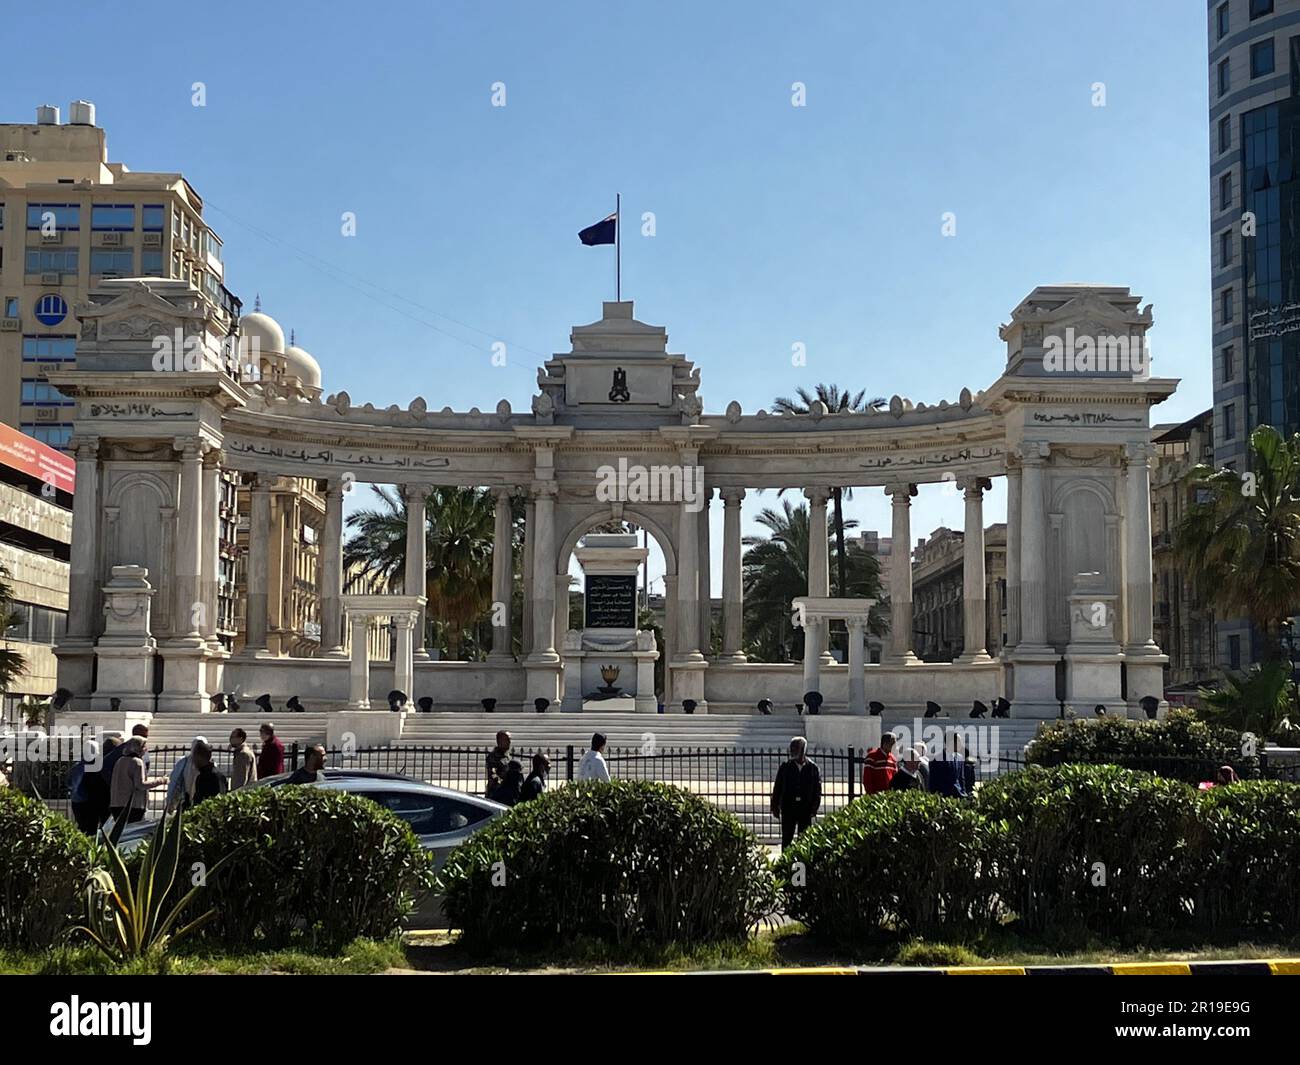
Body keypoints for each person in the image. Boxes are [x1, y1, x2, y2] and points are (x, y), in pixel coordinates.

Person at [771, 737, 821, 850]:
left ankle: (802, 865)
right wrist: (775, 806)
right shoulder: (785, 767)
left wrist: (814, 807)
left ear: (803, 750)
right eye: (792, 748)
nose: (793, 751)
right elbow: (777, 787)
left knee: (804, 839)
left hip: (805, 808)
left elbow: (817, 790)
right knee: (787, 838)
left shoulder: (813, 768)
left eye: (796, 748)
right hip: (789, 807)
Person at [109, 736, 165, 825]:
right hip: (132, 805)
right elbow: (140, 785)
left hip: (116, 804)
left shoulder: (120, 761)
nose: (146, 749)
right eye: (144, 747)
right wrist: (160, 781)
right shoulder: (137, 762)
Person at [165, 736, 209, 814]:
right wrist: (171, 803)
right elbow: (175, 782)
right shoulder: (184, 762)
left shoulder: (209, 765)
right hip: (185, 800)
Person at [485, 730, 512, 796]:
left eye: (510, 739)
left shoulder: (507, 756)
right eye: (507, 739)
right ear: (499, 741)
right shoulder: (493, 757)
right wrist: (504, 783)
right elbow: (493, 775)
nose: (509, 742)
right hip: (496, 793)